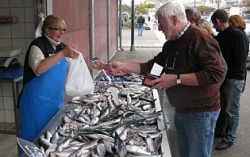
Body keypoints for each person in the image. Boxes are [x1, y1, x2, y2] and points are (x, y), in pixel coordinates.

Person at [94, 2, 227, 157]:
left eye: (161, 24)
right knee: (185, 153)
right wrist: (121, 65)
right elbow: (153, 67)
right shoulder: (171, 44)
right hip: (183, 109)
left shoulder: (200, 38)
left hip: (202, 112)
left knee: (198, 154)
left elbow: (216, 73)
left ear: (174, 20)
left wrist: (176, 79)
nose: (158, 28)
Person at [18, 15, 79, 143]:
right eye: (57, 29)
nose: (61, 33)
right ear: (46, 30)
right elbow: (39, 68)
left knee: (51, 137)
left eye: (63, 30)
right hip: (35, 103)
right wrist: (62, 54)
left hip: (55, 101)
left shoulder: (62, 47)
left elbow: (73, 65)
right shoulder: (37, 46)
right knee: (33, 138)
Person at [211, 10, 249, 150]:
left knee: (232, 110)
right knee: (224, 108)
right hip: (225, 78)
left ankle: (230, 137)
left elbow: (239, 61)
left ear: (219, 21)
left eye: (214, 23)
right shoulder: (222, 35)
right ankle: (222, 131)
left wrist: (224, 76)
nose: (214, 26)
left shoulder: (238, 35)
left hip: (234, 78)